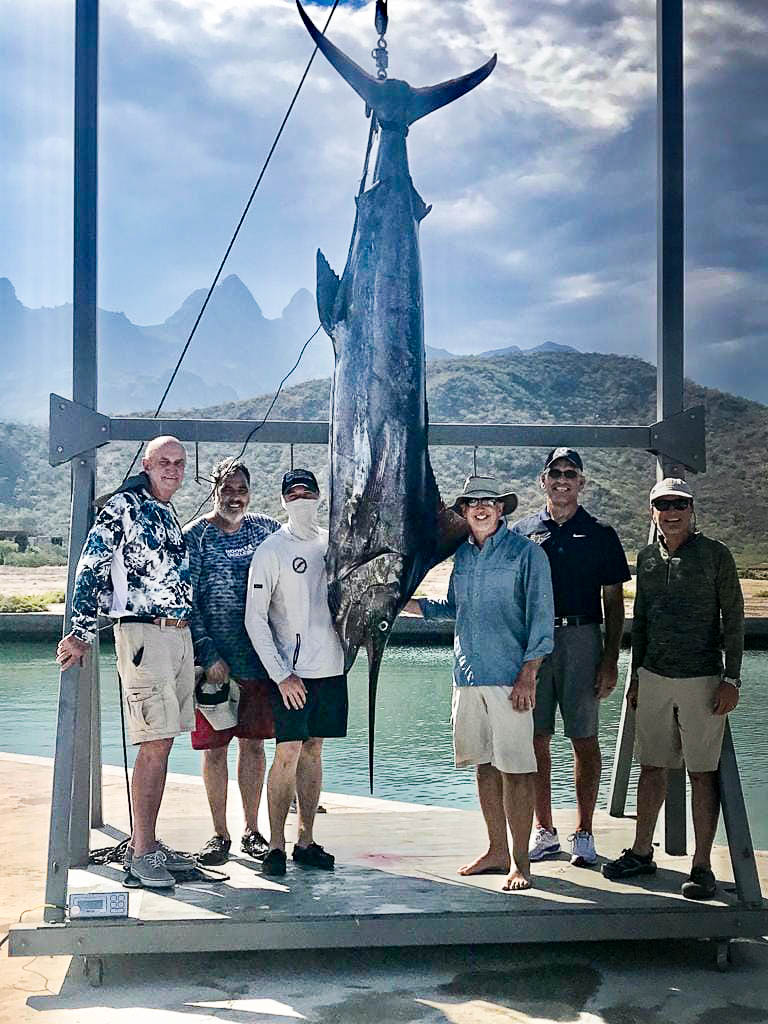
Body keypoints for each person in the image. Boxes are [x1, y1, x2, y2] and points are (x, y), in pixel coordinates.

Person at [56, 436, 196, 889]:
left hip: (177, 633)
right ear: (147, 465)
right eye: (164, 462)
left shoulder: (167, 511)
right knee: (153, 742)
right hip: (143, 633)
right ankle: (140, 855)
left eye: (179, 463)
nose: (172, 469)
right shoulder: (124, 507)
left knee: (165, 740)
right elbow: (91, 567)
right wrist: (81, 632)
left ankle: (147, 841)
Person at [405, 476, 554, 892]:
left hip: (510, 680)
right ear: (464, 511)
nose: (481, 508)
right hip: (467, 677)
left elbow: (542, 621)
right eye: (473, 503)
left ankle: (521, 863)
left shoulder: (528, 554)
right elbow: (452, 607)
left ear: (501, 509)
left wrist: (529, 674)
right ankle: (496, 851)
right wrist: (403, 603)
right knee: (484, 767)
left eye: (489, 501)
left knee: (517, 771)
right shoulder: (463, 556)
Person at [603, 478, 744, 900]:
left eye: (679, 504)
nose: (671, 512)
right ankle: (641, 852)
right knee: (652, 767)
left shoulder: (716, 555)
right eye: (663, 505)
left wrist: (732, 678)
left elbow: (734, 617)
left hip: (703, 680)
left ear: (692, 509)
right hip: (654, 679)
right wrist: (636, 677)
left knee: (702, 774)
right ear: (652, 513)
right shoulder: (647, 558)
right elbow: (642, 620)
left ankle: (702, 866)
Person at [511, 448, 630, 868]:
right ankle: (544, 831)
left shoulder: (601, 533)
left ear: (581, 482)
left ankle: (584, 832)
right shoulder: (522, 532)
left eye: (570, 473)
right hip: (533, 645)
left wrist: (610, 659)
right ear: (542, 480)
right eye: (555, 472)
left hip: (582, 638)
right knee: (535, 739)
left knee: (584, 738)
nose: (562, 479)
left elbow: (613, 602)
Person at [244, 468, 347, 877]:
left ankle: (306, 840)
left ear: (319, 496)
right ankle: (275, 845)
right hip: (290, 673)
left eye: (308, 492)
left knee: (314, 749)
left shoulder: (335, 544)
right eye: (294, 493)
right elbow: (255, 619)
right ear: (283, 500)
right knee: (287, 750)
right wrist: (281, 674)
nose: (301, 498)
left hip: (332, 668)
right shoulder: (271, 550)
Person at [184, 458, 281, 865]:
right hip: (213, 668)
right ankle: (219, 833)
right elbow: (186, 601)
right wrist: (207, 653)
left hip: (260, 661)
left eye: (242, 490)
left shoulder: (267, 529)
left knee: (254, 747)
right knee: (214, 750)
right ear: (214, 491)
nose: (235, 497)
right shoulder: (195, 536)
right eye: (227, 490)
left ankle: (252, 831)